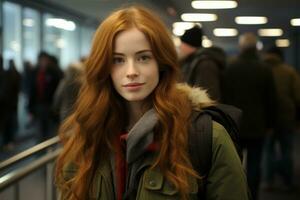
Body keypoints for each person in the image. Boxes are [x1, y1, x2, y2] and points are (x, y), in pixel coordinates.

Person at [55, 6, 249, 200]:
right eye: (118, 60)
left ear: (162, 63)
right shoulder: (87, 135)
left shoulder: (206, 137)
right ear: (104, 68)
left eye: (143, 57)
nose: (131, 71)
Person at [222, 33, 277, 200]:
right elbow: (271, 99)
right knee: (254, 164)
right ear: (256, 48)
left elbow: (224, 97)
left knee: (234, 164)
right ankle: (253, 195)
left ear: (241, 47)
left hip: (235, 124)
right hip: (258, 125)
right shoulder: (265, 69)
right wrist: (270, 124)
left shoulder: (230, 67)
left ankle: (237, 195)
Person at [263, 46, 300, 191]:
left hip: (267, 117)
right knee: (287, 150)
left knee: (268, 150)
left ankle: (268, 181)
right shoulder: (289, 71)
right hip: (286, 117)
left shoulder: (263, 70)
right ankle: (288, 181)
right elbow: (298, 96)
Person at [179, 26, 224, 101]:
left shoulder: (205, 64)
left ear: (189, 45)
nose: (180, 47)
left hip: (202, 111)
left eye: (182, 43)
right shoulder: (192, 61)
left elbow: (209, 96)